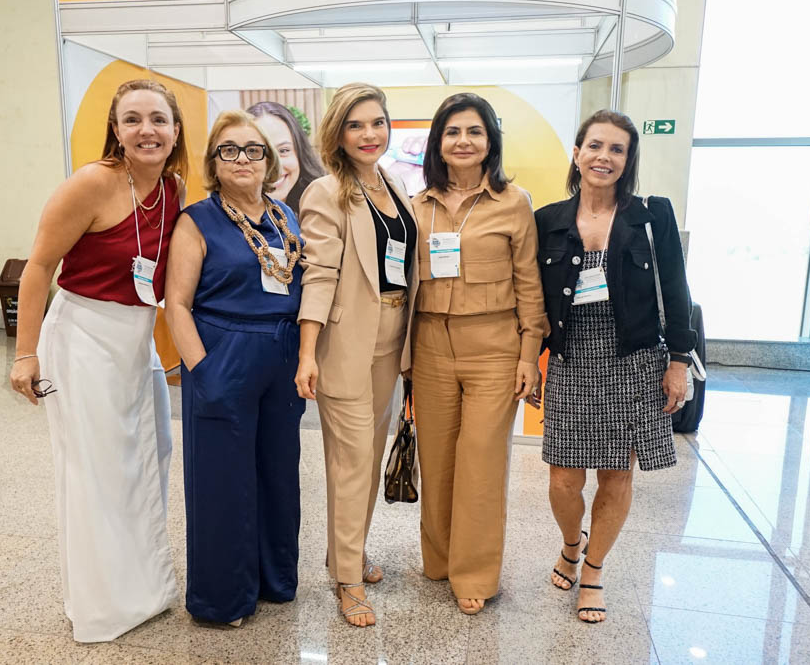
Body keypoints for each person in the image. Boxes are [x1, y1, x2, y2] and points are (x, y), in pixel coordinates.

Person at [8, 79, 187, 642]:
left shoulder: (174, 188)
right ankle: (104, 603)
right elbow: (37, 269)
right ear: (115, 129)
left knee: (148, 455)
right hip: (82, 337)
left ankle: (145, 585)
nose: (146, 130)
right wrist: (25, 355)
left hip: (136, 341)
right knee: (96, 471)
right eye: (132, 119)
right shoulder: (91, 183)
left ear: (175, 130)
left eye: (158, 119)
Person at [532, 109, 696, 624]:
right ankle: (569, 543)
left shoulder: (651, 216)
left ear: (628, 161)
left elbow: (676, 290)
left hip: (634, 359)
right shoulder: (549, 220)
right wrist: (528, 359)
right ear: (577, 153)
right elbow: (532, 298)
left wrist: (679, 362)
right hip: (572, 358)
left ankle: (595, 568)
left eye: (617, 149)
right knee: (562, 479)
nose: (604, 157)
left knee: (616, 475)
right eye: (595, 146)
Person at [165, 110, 306, 627]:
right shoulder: (197, 221)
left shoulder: (283, 218)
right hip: (223, 353)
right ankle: (223, 598)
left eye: (253, 149)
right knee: (223, 481)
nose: (242, 158)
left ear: (269, 162)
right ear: (214, 162)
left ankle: (273, 579)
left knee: (276, 474)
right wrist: (202, 372)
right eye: (229, 150)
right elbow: (176, 304)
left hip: (281, 357)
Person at [410, 93, 549, 616]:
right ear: (438, 144)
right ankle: (440, 559)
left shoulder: (515, 202)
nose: (463, 141)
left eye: (474, 131)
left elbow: (529, 282)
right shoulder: (416, 206)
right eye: (452, 132)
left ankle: (475, 573)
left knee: (481, 463)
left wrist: (527, 353)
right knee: (438, 458)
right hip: (429, 345)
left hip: (495, 349)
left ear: (490, 141)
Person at [294, 83, 418, 627]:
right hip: (344, 342)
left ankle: (350, 550)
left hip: (391, 338)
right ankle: (346, 581)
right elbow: (318, 276)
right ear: (337, 134)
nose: (369, 134)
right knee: (349, 465)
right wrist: (307, 353)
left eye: (377, 123)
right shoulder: (327, 191)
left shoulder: (392, 184)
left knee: (368, 457)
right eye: (356, 125)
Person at [246, 101, 325, 214]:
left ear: (299, 153)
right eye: (257, 152)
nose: (274, 165)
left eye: (283, 150)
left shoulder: (321, 210)